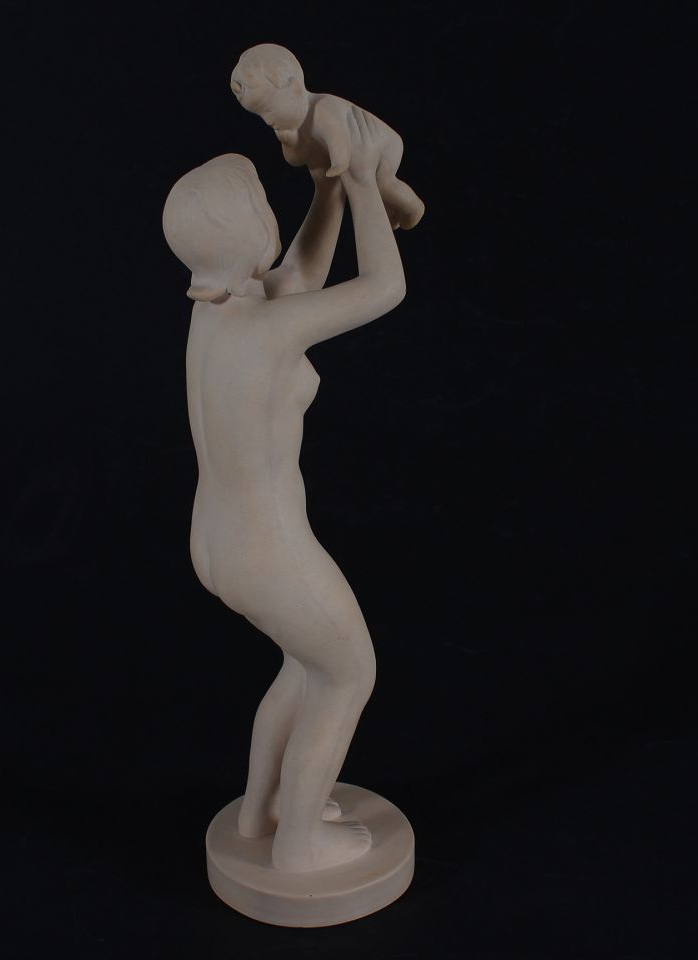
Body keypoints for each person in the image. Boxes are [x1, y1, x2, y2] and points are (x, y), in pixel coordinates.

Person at [162, 109, 406, 873]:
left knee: (305, 665)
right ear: (253, 237)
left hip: (218, 542)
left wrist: (326, 188)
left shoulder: (219, 313)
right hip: (268, 550)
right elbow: (385, 286)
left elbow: (298, 277)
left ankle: (263, 810)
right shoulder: (267, 330)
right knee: (348, 672)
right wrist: (361, 182)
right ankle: (300, 845)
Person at [230, 43, 425, 231]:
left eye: (269, 109)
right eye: (260, 115)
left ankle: (413, 209)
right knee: (363, 185)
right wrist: (290, 144)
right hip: (362, 152)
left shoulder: (323, 108)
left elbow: (338, 139)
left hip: (381, 143)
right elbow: (297, 159)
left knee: (382, 182)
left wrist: (339, 162)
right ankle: (391, 212)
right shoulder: (292, 127)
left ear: (294, 88)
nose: (267, 120)